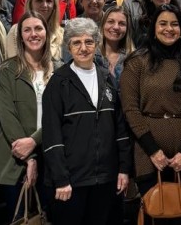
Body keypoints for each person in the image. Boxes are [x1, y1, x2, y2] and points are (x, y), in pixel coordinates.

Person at [120, 4, 181, 225]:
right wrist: (153, 150)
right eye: (163, 23)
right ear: (153, 28)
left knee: (179, 213)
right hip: (147, 153)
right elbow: (130, 109)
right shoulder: (136, 62)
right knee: (154, 213)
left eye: (175, 24)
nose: (169, 29)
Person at [42, 17, 132, 225]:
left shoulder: (107, 78)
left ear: (96, 43)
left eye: (89, 42)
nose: (83, 48)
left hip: (107, 179)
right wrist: (61, 179)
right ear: (68, 47)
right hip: (72, 182)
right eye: (77, 42)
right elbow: (52, 136)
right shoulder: (58, 83)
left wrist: (124, 169)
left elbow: (120, 129)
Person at [0, 11, 55, 220]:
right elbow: (6, 115)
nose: (33, 34)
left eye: (38, 28)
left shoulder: (60, 69)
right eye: (27, 30)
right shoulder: (8, 69)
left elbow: (59, 116)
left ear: (47, 32)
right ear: (20, 36)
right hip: (16, 156)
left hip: (51, 155)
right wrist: (29, 157)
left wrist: (34, 141)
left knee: (48, 217)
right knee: (21, 218)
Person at [6, 0, 64, 65]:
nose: (44, 5)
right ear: (30, 3)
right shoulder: (16, 31)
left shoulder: (61, 33)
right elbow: (12, 67)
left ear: (54, 5)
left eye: (49, 1)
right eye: (39, 0)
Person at [95, 6, 135, 92]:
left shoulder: (134, 58)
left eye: (122, 23)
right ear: (103, 25)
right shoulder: (91, 56)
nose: (116, 27)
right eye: (110, 22)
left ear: (127, 29)